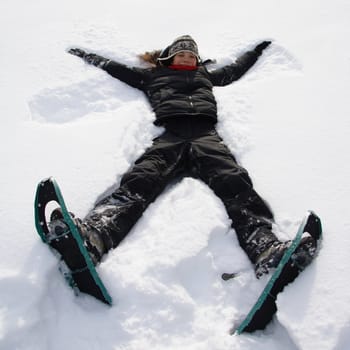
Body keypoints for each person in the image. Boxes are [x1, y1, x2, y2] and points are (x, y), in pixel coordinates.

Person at [50, 35, 316, 279]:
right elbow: (116, 68)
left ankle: (266, 248)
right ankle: (95, 235)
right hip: (171, 136)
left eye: (192, 55)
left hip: (206, 136)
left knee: (234, 181)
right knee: (142, 177)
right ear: (169, 57)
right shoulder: (153, 76)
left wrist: (256, 51)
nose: (188, 58)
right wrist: (89, 56)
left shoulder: (206, 76)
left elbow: (235, 70)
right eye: (182, 54)